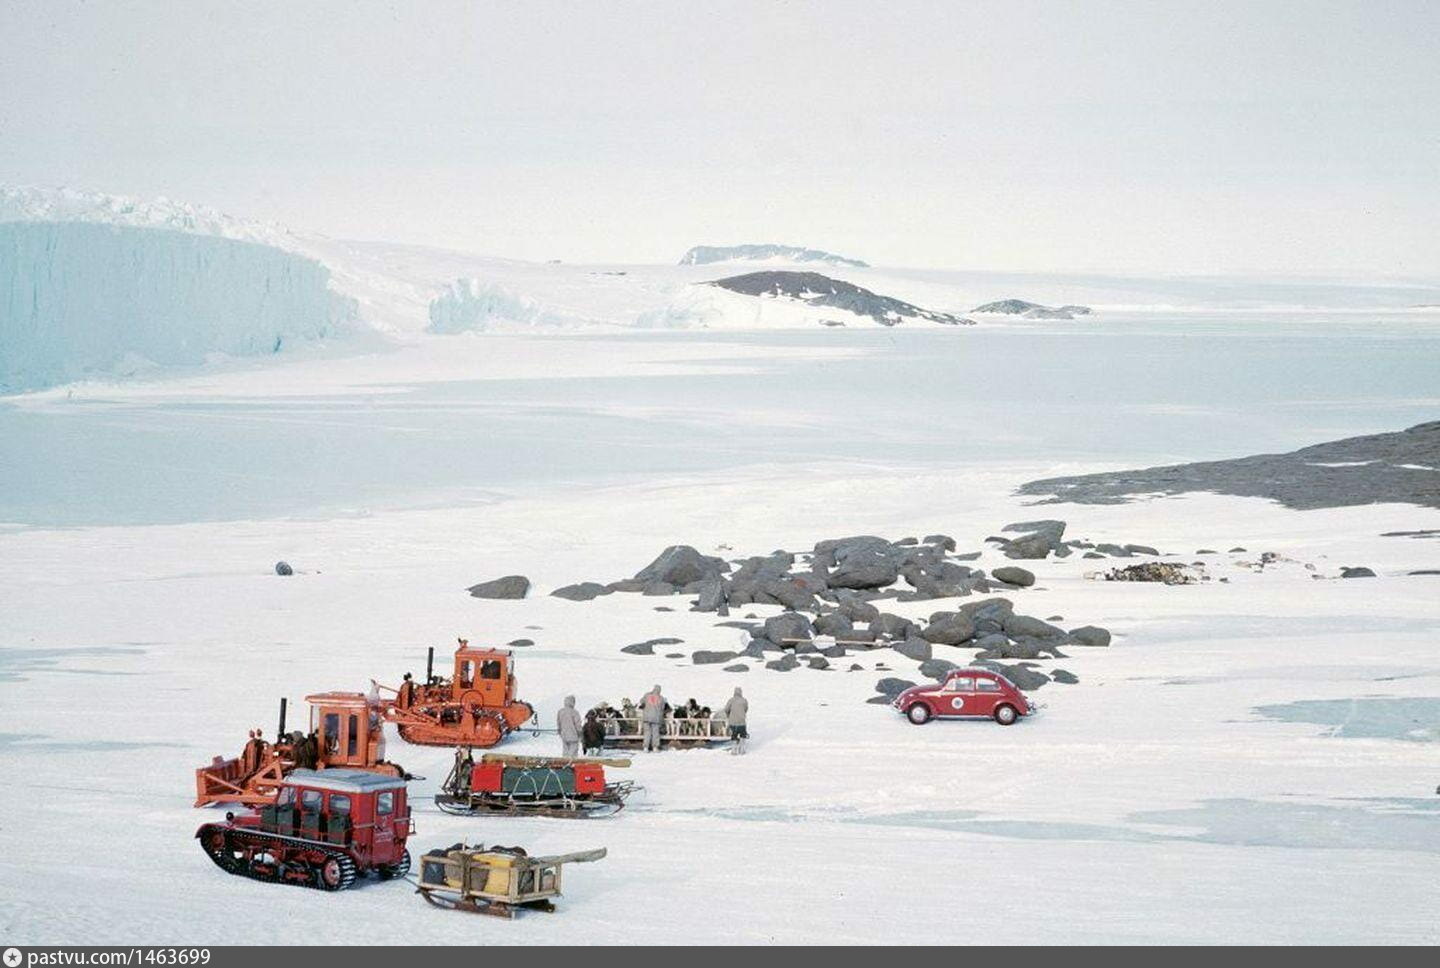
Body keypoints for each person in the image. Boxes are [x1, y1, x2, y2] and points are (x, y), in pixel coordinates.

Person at [640, 685, 667, 752]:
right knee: (655, 733)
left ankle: (646, 747)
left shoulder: (647, 695)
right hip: (656, 718)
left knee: (647, 732)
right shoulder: (661, 698)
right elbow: (662, 708)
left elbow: (641, 702)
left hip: (646, 717)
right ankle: (655, 747)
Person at [723, 687, 749, 755]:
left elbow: (726, 709)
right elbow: (746, 709)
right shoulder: (744, 700)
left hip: (733, 722)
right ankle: (742, 749)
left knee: (734, 736)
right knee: (743, 735)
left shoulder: (731, 700)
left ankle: (734, 749)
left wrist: (729, 715)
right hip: (742, 722)